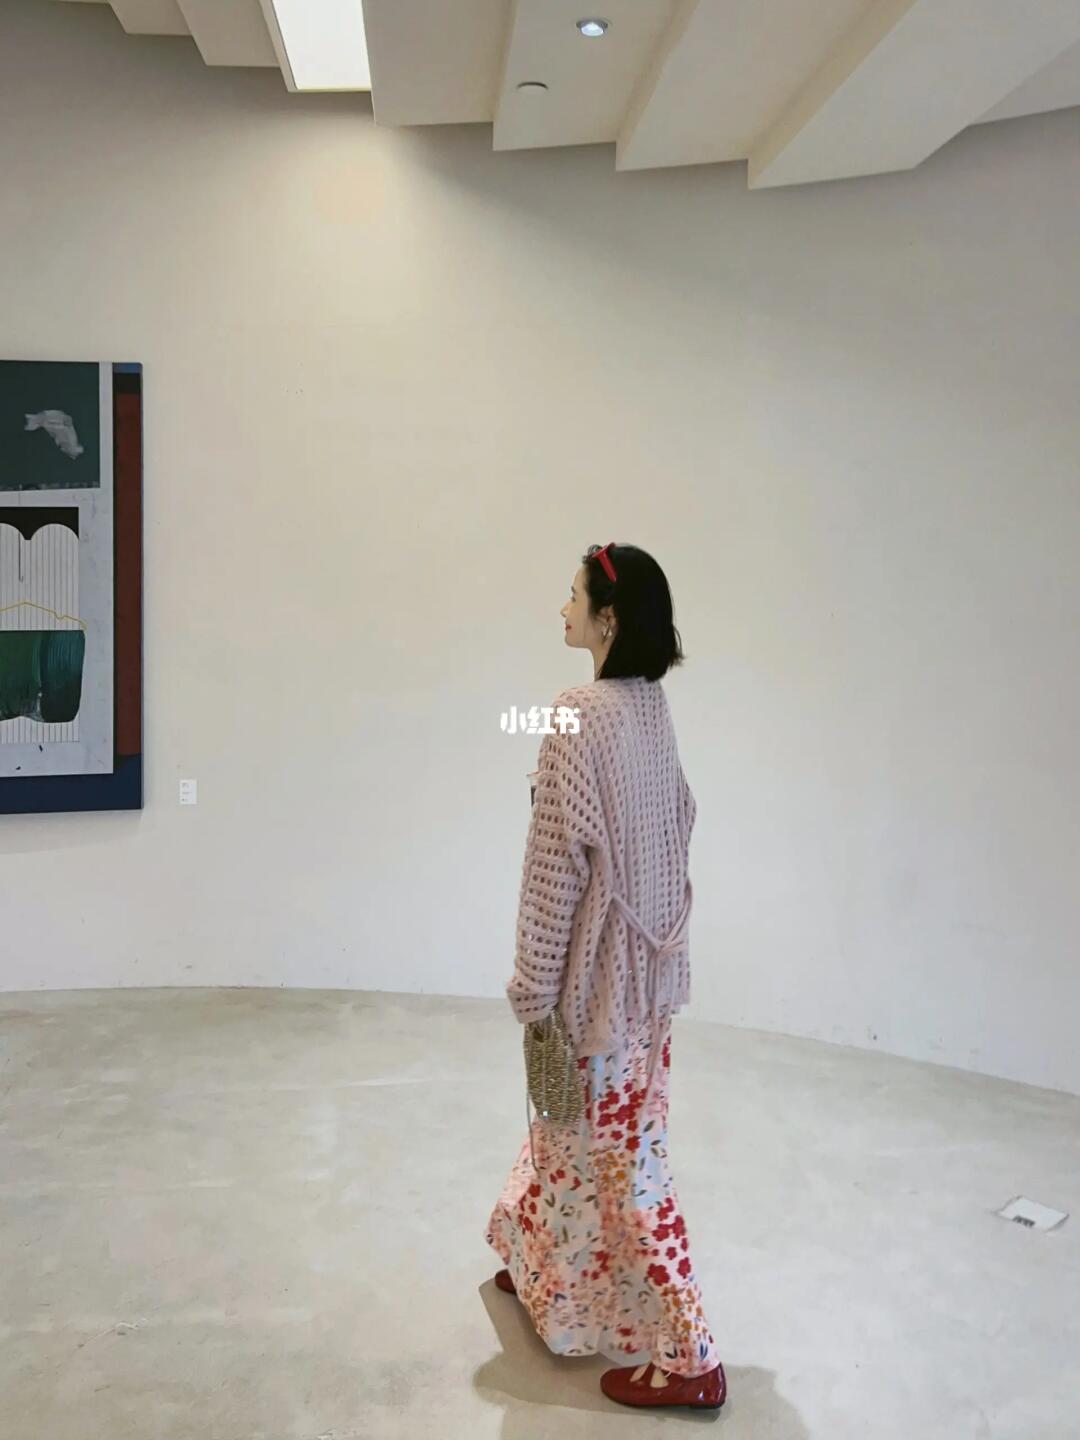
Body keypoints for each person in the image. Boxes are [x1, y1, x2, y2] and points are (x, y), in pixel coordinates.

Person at [485, 542, 727, 1412]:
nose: (563, 609)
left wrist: (533, 988)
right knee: (568, 1135)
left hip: (597, 993)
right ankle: (540, 1266)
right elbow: (678, 822)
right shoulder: (650, 705)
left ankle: (691, 1357)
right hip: (649, 985)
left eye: (574, 596)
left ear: (608, 619)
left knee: (627, 1166)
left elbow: (553, 874)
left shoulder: (577, 714)